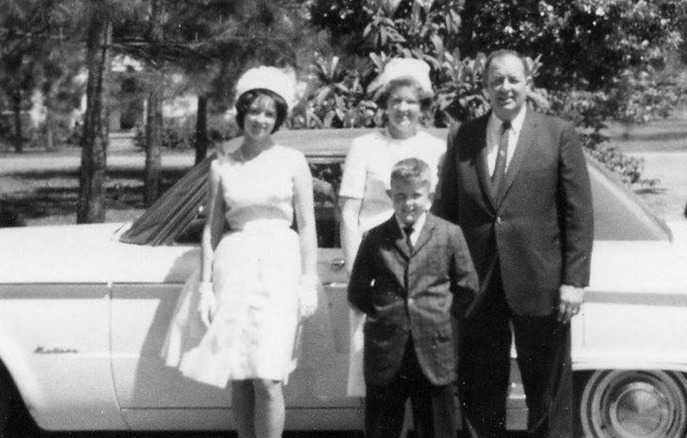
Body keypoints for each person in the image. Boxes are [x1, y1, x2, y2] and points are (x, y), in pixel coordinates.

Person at [433, 49, 594, 438]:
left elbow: (579, 213)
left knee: (548, 393)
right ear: (485, 86)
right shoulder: (464, 136)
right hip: (477, 286)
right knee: (480, 390)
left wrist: (574, 280)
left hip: (542, 284)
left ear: (527, 84)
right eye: (496, 80)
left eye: (512, 79)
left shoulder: (558, 134)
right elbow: (446, 212)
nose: (504, 88)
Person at [162, 66, 318, 438]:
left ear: (277, 118)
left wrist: (309, 280)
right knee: (240, 374)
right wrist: (205, 286)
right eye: (254, 111)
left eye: (269, 113)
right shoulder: (222, 165)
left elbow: (307, 225)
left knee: (267, 377)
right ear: (242, 113)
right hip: (234, 269)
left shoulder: (293, 161)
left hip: (279, 268)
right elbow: (212, 230)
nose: (260, 119)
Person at [348, 157, 479, 438]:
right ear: (389, 196)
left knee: (436, 429)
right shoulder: (375, 238)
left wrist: (439, 315)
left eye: (416, 195)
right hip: (386, 350)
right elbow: (357, 291)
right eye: (400, 195)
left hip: (434, 349)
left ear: (429, 196)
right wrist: (387, 310)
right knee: (382, 428)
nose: (408, 203)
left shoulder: (449, 234)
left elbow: (467, 288)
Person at [339, 58, 446, 396]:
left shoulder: (436, 148)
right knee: (376, 368)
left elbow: (441, 213)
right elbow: (348, 212)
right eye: (395, 100)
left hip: (422, 264)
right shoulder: (364, 146)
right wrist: (358, 273)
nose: (403, 108)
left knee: (421, 365)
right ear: (384, 104)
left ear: (422, 106)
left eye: (411, 101)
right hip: (377, 261)